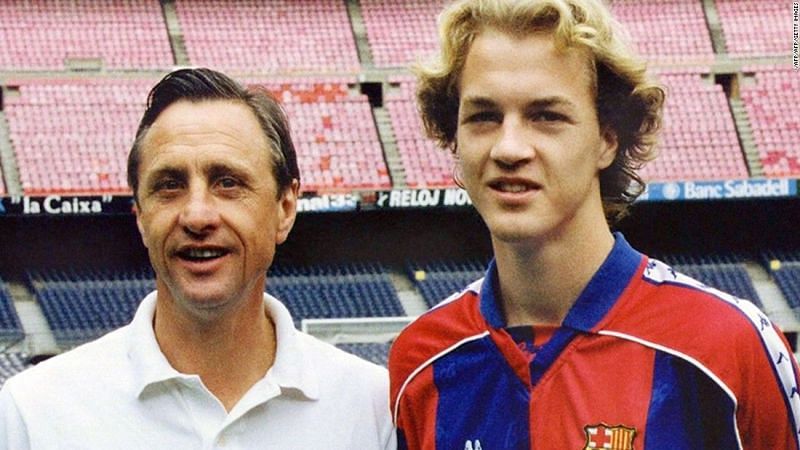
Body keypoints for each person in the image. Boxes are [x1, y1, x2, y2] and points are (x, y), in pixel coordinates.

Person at [387, 0, 800, 448]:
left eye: (546, 116)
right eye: (483, 117)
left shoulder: (725, 346)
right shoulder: (421, 360)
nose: (508, 148)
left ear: (607, 139)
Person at [0, 68, 396, 449]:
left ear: (285, 208)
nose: (197, 216)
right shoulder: (34, 414)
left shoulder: (372, 408)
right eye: (169, 185)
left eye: (228, 182)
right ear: (140, 217)